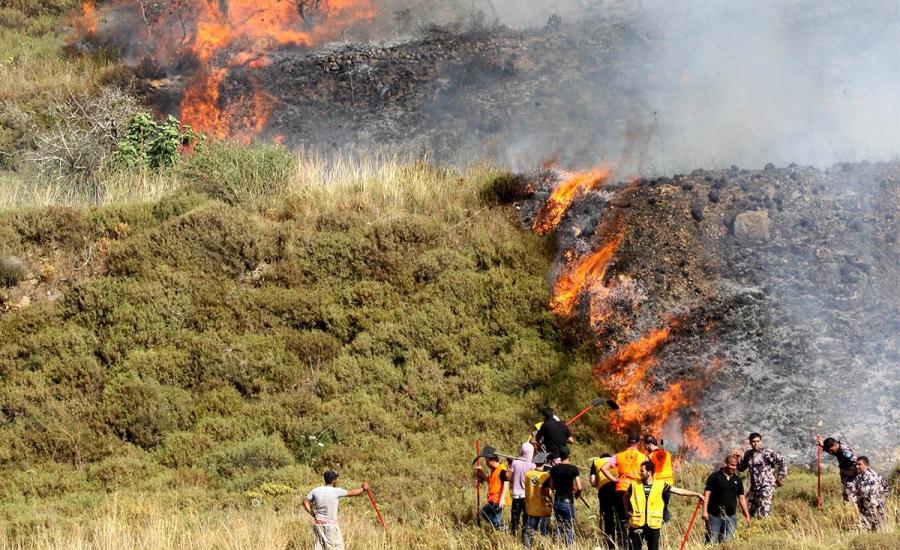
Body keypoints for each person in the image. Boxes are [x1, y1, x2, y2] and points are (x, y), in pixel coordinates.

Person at [625, 461, 705, 550]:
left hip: (653, 524)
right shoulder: (634, 485)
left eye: (642, 471)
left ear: (649, 472)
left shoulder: (660, 485)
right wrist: (627, 509)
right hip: (637, 523)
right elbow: (625, 496)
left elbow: (679, 491)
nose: (640, 473)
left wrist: (697, 494)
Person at [600, 432, 649, 542]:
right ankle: (635, 541)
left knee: (621, 518)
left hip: (621, 488)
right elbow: (648, 473)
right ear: (638, 443)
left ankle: (622, 542)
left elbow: (603, 468)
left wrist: (614, 479)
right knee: (636, 517)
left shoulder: (619, 455)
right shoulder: (644, 457)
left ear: (628, 443)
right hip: (636, 489)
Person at [303, 470, 370, 550]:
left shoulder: (316, 490)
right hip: (330, 525)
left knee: (320, 547)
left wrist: (313, 514)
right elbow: (352, 493)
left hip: (318, 524)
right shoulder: (336, 491)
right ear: (334, 481)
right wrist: (363, 489)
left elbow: (305, 502)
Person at [736, 432, 787, 518]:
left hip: (766, 486)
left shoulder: (767, 453)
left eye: (758, 441)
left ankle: (767, 528)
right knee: (747, 509)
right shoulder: (748, 454)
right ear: (750, 442)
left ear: (761, 441)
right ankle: (750, 528)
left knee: (764, 511)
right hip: (754, 487)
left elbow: (782, 462)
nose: (756, 443)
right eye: (753, 441)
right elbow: (741, 468)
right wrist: (737, 458)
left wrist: (780, 477)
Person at [703, 454, 751, 544]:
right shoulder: (715, 477)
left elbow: (741, 498)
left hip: (731, 516)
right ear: (726, 464)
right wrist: (704, 511)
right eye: (732, 465)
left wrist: (747, 515)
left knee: (728, 541)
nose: (734, 467)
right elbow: (707, 493)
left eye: (736, 465)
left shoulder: (737, 480)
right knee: (712, 540)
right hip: (714, 516)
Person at [547, 445, 582, 545]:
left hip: (557, 501)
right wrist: (577, 494)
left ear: (560, 456)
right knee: (569, 527)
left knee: (559, 525)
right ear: (569, 455)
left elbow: (551, 487)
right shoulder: (574, 469)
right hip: (568, 502)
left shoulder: (554, 470)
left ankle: (558, 545)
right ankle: (568, 546)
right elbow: (579, 487)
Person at [849, 456, 889, 532]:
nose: (857, 466)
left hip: (875, 511)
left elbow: (886, 488)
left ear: (866, 465)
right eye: (856, 464)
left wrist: (882, 501)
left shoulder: (874, 476)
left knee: (877, 532)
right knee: (868, 532)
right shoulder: (860, 477)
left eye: (859, 464)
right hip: (866, 511)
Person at [522, 452, 553, 548]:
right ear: (544, 462)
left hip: (531, 509)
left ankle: (527, 547)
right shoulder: (546, 476)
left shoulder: (528, 474)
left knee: (530, 532)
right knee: (544, 533)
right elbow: (549, 491)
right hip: (544, 509)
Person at [816, 435, 859, 504]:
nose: (830, 452)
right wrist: (822, 446)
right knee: (847, 496)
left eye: (831, 449)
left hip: (851, 477)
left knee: (850, 496)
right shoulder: (838, 448)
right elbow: (834, 452)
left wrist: (847, 472)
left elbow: (857, 462)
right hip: (847, 476)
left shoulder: (845, 452)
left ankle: (853, 511)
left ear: (835, 444)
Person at [475, 449, 511, 529]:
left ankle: (501, 527)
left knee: (484, 513)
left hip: (498, 500)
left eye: (487, 462)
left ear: (492, 461)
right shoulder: (494, 470)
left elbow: (506, 483)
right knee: (494, 518)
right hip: (493, 499)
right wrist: (481, 472)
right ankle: (500, 528)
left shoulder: (502, 469)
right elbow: (490, 480)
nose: (487, 464)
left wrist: (502, 499)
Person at [590, 452, 619, 548]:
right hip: (619, 489)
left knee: (608, 518)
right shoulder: (616, 459)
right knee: (620, 517)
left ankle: (610, 545)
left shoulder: (596, 462)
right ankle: (622, 542)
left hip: (604, 492)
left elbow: (593, 482)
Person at [643, 436, 674, 522]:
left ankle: (657, 525)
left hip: (658, 485)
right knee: (665, 506)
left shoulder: (649, 456)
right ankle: (665, 525)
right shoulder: (668, 454)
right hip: (669, 484)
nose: (645, 448)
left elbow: (647, 472)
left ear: (649, 444)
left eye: (645, 446)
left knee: (656, 506)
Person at [509, 442, 537, 535]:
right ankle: (525, 539)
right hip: (527, 497)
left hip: (516, 496)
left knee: (514, 519)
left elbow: (508, 477)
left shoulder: (515, 463)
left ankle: (512, 537)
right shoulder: (532, 466)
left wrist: (509, 464)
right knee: (526, 520)